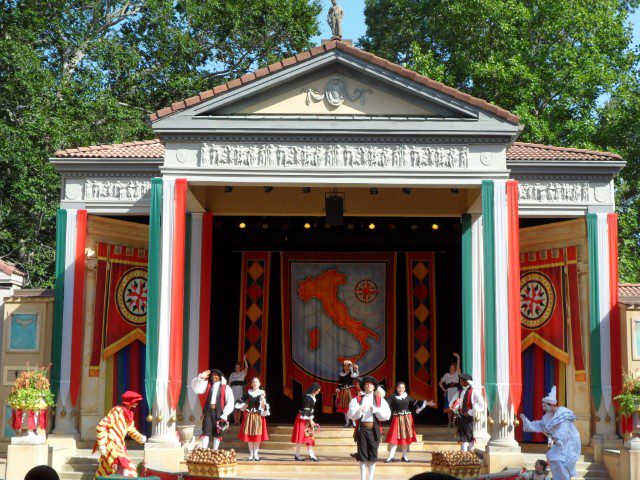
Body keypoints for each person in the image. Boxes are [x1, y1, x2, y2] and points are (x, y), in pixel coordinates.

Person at [520, 386, 581, 480]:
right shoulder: (547, 417)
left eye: (545, 406)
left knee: (561, 461)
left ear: (552, 404)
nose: (544, 408)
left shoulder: (562, 412)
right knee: (553, 457)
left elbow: (564, 428)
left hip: (570, 442)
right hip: (560, 443)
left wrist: (559, 439)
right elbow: (539, 425)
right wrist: (527, 423)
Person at [94, 390, 146, 477]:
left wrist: (139, 437)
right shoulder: (117, 411)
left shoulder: (129, 414)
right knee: (128, 469)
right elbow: (101, 426)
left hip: (120, 445)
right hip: (111, 445)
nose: (137, 403)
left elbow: (131, 429)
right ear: (129, 402)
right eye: (135, 401)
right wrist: (102, 444)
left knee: (106, 471)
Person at [347, 376, 391, 480]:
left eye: (371, 384)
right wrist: (359, 410)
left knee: (373, 454)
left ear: (374, 386)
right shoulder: (356, 400)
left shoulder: (380, 400)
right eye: (366, 383)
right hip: (362, 429)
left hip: (374, 430)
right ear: (363, 386)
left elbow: (386, 416)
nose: (368, 385)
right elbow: (350, 415)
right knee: (362, 455)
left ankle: (370, 478)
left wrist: (375, 409)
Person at [385, 381, 436, 463]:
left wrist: (427, 403)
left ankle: (404, 456)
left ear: (404, 389)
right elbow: (385, 404)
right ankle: (391, 456)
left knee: (406, 437)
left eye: (402, 388)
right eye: (399, 388)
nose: (401, 389)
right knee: (394, 437)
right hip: (397, 418)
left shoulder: (407, 397)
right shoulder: (392, 397)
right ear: (396, 388)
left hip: (407, 419)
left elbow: (417, 402)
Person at [191, 368, 235, 450]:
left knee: (217, 432)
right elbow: (196, 389)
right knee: (206, 430)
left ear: (220, 377)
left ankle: (215, 450)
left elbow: (230, 402)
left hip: (219, 412)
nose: (213, 376)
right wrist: (200, 377)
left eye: (216, 375)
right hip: (208, 411)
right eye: (212, 375)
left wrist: (225, 414)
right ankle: (204, 450)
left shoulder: (225, 388)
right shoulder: (208, 385)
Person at [236, 376, 270, 461]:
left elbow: (264, 405)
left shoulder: (262, 393)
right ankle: (251, 454)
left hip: (258, 416)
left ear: (259, 384)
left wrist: (262, 401)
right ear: (251, 384)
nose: (255, 383)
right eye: (253, 382)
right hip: (250, 416)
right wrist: (244, 406)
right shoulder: (248, 392)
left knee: (257, 436)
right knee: (250, 436)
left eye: (256, 382)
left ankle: (256, 454)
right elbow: (240, 401)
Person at [449, 372, 483, 452]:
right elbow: (452, 403)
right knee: (462, 434)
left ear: (466, 381)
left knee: (469, 434)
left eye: (461, 380)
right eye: (460, 380)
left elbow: (480, 403)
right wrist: (455, 407)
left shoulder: (474, 391)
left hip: (468, 417)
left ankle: (471, 452)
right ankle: (463, 452)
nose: (460, 382)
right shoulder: (460, 392)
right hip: (460, 416)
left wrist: (470, 412)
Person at [291, 382, 321, 462]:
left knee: (308, 437)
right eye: (318, 390)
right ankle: (298, 455)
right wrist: (311, 421)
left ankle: (310, 455)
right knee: (301, 437)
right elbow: (306, 410)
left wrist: (311, 421)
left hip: (306, 419)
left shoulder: (311, 397)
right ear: (316, 390)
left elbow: (309, 411)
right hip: (302, 419)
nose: (319, 391)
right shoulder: (308, 398)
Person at [438, 352, 460, 427]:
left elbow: (458, 365)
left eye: (453, 367)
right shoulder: (446, 375)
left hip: (455, 392)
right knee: (448, 409)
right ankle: (449, 422)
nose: (452, 368)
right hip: (449, 392)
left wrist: (457, 357)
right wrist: (444, 390)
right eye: (451, 367)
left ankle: (454, 422)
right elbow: (440, 383)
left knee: (455, 407)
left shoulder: (457, 374)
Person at [337, 360, 359, 427]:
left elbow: (355, 376)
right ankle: (347, 423)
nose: (345, 367)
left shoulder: (351, 373)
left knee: (352, 406)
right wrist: (338, 388)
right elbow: (340, 384)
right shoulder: (341, 374)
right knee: (345, 408)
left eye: (347, 365)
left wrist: (352, 369)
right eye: (344, 365)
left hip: (350, 391)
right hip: (343, 392)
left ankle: (354, 423)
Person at [229, 354, 248, 425]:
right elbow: (229, 383)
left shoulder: (242, 373)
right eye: (236, 367)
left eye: (238, 367)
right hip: (233, 391)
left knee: (239, 405)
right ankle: (235, 421)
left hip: (240, 391)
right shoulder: (232, 374)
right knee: (234, 406)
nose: (237, 368)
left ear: (240, 368)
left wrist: (245, 360)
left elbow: (246, 368)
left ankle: (238, 421)